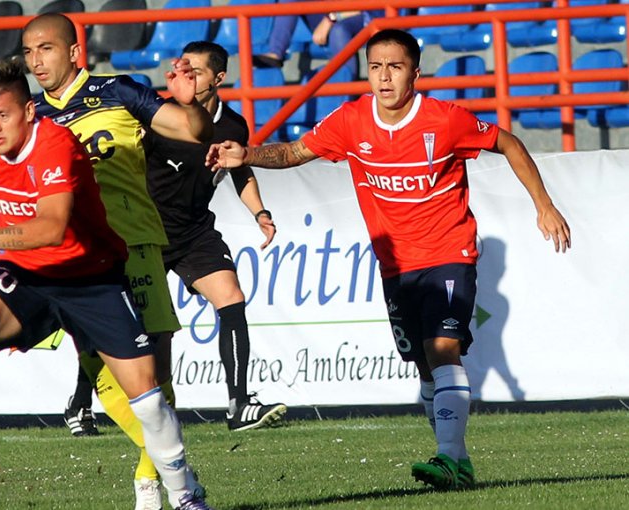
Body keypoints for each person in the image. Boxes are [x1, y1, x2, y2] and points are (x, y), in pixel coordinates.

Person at [208, 29, 571, 491]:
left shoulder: (445, 120)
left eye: (395, 67)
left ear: (414, 73)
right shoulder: (352, 120)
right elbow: (293, 152)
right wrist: (248, 154)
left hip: (448, 251)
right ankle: (458, 461)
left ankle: (446, 456)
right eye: (376, 66)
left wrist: (544, 204)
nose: (383, 76)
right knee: (423, 363)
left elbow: (509, 143)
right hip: (395, 263)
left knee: (443, 349)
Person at [0, 59, 210, 510]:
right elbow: (3, 184)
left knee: (147, 396)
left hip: (91, 277)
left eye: (3, 115)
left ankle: (184, 494)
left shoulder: (57, 143)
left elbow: (52, 228)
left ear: (29, 112)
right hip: (28, 274)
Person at [19, 13, 213, 510]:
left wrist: (189, 104)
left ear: (74, 52)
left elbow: (192, 131)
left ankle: (153, 478)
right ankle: (171, 472)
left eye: (45, 48)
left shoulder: (119, 92)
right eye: (28, 52)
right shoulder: (31, 117)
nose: (35, 60)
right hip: (75, 259)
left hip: (135, 246)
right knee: (100, 371)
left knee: (156, 372)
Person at [144, 40, 288, 433]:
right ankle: (81, 402)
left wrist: (259, 211)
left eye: (196, 72)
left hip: (193, 232)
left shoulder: (232, 125)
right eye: (182, 68)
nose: (185, 77)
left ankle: (239, 404)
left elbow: (240, 170)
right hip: (145, 233)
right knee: (144, 328)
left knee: (232, 299)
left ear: (219, 78)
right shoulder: (157, 115)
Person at [253, 7, 384, 76]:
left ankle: (347, 91)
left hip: (374, 16)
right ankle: (276, 52)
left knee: (338, 31)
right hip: (339, 12)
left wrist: (331, 18)